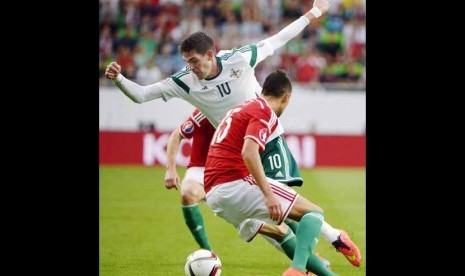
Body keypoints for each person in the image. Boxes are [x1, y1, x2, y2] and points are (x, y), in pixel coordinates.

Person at [105, 0, 360, 267]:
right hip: (237, 154)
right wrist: (120, 79)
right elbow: (142, 94)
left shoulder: (238, 58)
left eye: (194, 60)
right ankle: (313, 260)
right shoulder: (184, 82)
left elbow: (278, 39)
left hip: (268, 139)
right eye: (187, 62)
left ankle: (325, 245)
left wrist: (313, 13)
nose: (191, 67)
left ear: (210, 55)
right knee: (271, 219)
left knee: (286, 206)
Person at [165, 108, 333, 275]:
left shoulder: (245, 112)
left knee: (280, 226)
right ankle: (207, 251)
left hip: (233, 176)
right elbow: (177, 134)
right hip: (201, 170)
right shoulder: (206, 109)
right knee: (188, 194)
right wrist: (170, 169)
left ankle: (309, 262)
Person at [204, 69, 338, 276]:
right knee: (314, 213)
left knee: (281, 230)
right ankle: (298, 270)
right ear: (286, 97)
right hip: (233, 182)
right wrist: (268, 195)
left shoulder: (241, 107)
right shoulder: (264, 111)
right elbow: (249, 152)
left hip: (214, 195)